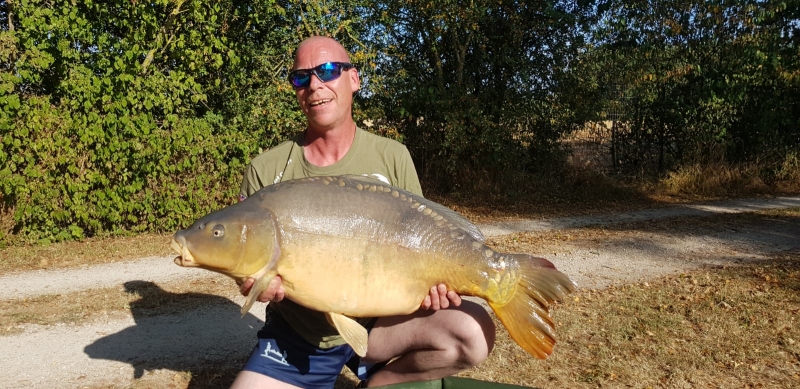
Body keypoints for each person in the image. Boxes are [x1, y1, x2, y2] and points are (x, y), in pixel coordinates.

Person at [231, 36, 495, 389]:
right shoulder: (267, 170)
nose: (315, 85)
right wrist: (252, 283)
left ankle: (377, 383)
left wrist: (436, 286)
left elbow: (425, 239)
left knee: (472, 333)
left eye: (327, 70)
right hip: (299, 339)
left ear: (354, 79)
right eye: (301, 77)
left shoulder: (392, 156)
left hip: (383, 326)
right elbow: (243, 256)